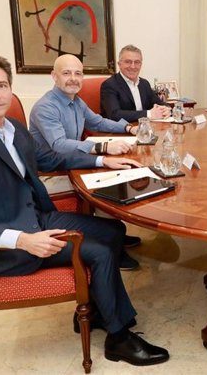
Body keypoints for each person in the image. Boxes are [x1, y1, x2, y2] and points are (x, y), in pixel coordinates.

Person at [0, 52, 170, 366]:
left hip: (33, 215)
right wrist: (22, 239)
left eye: (1, 85)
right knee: (99, 252)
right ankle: (118, 337)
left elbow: (50, 159)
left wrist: (103, 160)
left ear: (10, 88)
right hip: (6, 241)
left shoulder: (14, 129)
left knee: (113, 230)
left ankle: (98, 310)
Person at [29, 54, 143, 269]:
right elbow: (59, 145)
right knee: (110, 180)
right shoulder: (46, 107)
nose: (73, 78)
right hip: (51, 174)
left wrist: (128, 128)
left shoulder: (76, 101)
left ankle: (113, 232)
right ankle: (112, 241)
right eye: (66, 73)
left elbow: (98, 121)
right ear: (54, 76)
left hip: (72, 162)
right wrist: (102, 148)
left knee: (119, 168)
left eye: (78, 73)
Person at [101, 44, 171, 122]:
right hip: (121, 131)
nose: (133, 66)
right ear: (119, 64)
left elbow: (159, 103)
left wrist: (166, 109)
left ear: (141, 64)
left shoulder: (144, 84)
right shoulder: (110, 85)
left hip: (144, 129)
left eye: (137, 62)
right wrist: (149, 114)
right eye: (128, 62)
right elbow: (115, 114)